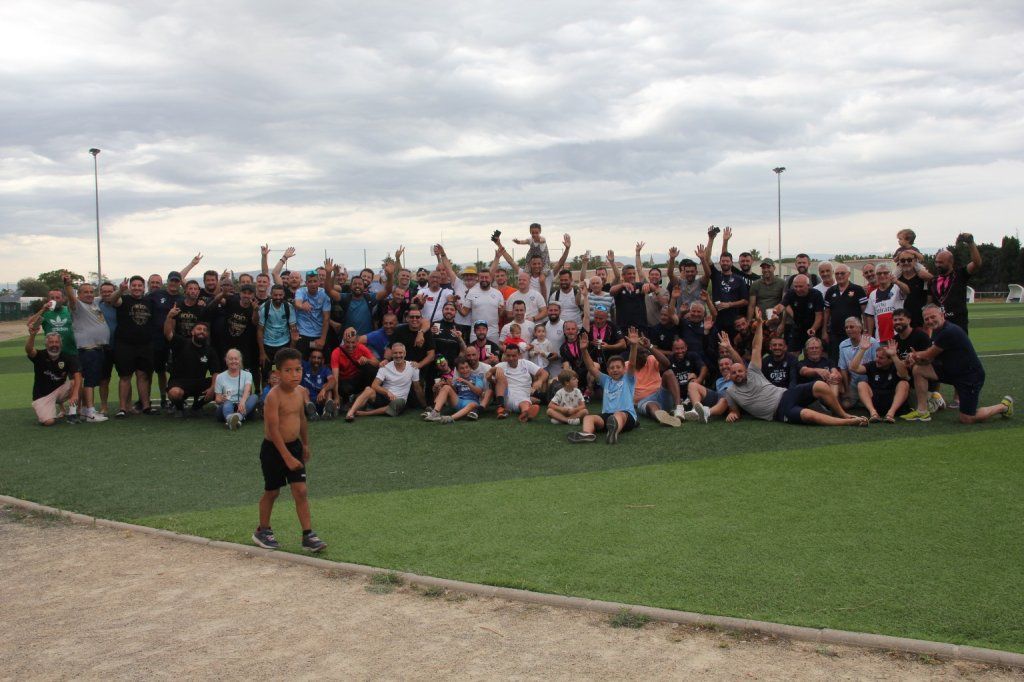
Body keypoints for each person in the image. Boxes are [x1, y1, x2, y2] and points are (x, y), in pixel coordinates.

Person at [716, 310, 866, 426]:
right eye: (734, 373)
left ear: (745, 370)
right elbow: (734, 410)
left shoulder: (753, 372)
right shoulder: (731, 392)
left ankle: (843, 414)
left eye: (740, 371)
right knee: (808, 415)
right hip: (779, 412)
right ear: (729, 375)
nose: (738, 374)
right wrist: (732, 414)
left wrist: (760, 325)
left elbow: (756, 347)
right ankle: (846, 422)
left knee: (820, 385)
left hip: (786, 394)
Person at [252, 347, 327, 553]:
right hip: (274, 450)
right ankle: (262, 530)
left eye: (298, 370)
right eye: (288, 370)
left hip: (294, 447)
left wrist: (305, 444)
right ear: (277, 373)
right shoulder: (273, 397)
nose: (294, 375)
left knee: (301, 491)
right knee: (272, 491)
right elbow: (272, 430)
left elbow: (301, 419)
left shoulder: (301, 392)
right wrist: (286, 457)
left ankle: (308, 535)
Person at [902, 305, 1013, 424]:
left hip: (969, 377)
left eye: (933, 317)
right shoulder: (936, 330)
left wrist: (914, 355)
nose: (930, 321)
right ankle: (922, 411)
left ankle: (1004, 406)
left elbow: (929, 354)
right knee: (919, 369)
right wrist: (917, 360)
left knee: (967, 418)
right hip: (951, 371)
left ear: (941, 315)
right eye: (926, 319)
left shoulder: (949, 331)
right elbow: (930, 358)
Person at [566, 327, 640, 444]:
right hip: (607, 417)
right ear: (608, 371)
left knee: (618, 415)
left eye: (618, 367)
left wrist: (634, 346)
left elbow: (632, 364)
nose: (615, 370)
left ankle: (614, 433)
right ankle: (587, 434)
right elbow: (591, 367)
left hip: (626, 416)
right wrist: (584, 350)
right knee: (589, 418)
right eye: (612, 368)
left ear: (624, 369)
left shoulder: (628, 379)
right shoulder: (606, 380)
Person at [63, 277, 110, 422]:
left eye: (91, 291)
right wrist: (68, 285)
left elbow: (109, 296)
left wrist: (120, 290)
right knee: (89, 381)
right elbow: (71, 298)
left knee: (91, 380)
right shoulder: (78, 305)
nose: (89, 294)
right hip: (88, 349)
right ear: (79, 294)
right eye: (85, 292)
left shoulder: (95, 302)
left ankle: (84, 409)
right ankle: (90, 412)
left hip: (97, 349)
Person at [110, 276, 156, 417]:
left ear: (144, 287)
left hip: (145, 345)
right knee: (125, 376)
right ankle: (123, 408)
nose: (137, 288)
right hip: (125, 345)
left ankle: (146, 406)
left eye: (139, 285)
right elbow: (112, 300)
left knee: (143, 375)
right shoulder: (123, 299)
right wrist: (120, 290)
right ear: (130, 287)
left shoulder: (149, 301)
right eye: (134, 285)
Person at [346, 342, 425, 420]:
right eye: (395, 353)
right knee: (368, 389)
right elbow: (374, 385)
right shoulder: (385, 367)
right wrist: (387, 392)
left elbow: (417, 388)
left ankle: (365, 413)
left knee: (399, 402)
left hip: (398, 401)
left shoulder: (413, 367)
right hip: (384, 397)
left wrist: (424, 405)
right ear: (392, 354)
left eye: (400, 353)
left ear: (405, 353)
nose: (398, 355)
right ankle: (350, 413)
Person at [164, 309, 220, 418]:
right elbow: (168, 334)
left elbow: (216, 372)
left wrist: (213, 387)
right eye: (199, 329)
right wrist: (169, 317)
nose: (202, 331)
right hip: (179, 382)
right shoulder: (181, 343)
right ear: (192, 332)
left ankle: (196, 407)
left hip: (199, 382)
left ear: (207, 334)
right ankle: (179, 408)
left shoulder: (210, 351)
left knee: (221, 386)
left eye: (204, 330)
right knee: (174, 393)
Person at [26, 327, 81, 426]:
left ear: (61, 344)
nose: (54, 345)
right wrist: (32, 335)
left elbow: (77, 375)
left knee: (75, 382)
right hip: (42, 396)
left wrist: (75, 394)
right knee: (49, 422)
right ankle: (49, 409)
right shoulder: (40, 355)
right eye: (51, 342)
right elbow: (29, 350)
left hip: (59, 391)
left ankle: (73, 414)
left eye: (57, 342)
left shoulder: (67, 357)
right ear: (46, 344)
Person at [698, 228, 749, 335]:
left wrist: (729, 304)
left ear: (731, 263)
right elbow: (707, 259)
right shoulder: (716, 275)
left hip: (734, 322)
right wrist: (711, 239)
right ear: (720, 262)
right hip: (717, 320)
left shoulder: (739, 279)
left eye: (727, 261)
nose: (725, 263)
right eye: (723, 261)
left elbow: (745, 301)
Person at [848, 337, 910, 422]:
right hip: (876, 403)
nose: (877, 359)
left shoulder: (896, 365)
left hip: (893, 402)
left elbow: (904, 374)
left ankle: (890, 414)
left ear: (890, 360)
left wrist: (894, 356)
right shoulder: (872, 365)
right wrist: (862, 350)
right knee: (861, 384)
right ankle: (873, 414)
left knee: (904, 383)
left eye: (881, 358)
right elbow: (853, 368)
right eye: (877, 356)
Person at [929, 233, 982, 333]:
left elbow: (977, 263)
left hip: (958, 324)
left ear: (950, 262)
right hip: (939, 325)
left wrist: (971, 243)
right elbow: (930, 304)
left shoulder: (960, 274)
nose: (937, 265)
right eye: (936, 262)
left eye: (941, 262)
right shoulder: (933, 281)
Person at [822, 264, 867, 363]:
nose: (839, 276)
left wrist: (865, 329)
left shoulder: (858, 290)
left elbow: (865, 312)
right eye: (837, 273)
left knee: (853, 359)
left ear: (848, 274)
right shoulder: (830, 291)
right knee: (835, 360)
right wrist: (824, 331)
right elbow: (827, 312)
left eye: (842, 273)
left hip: (853, 333)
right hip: (835, 333)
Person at [491, 344, 548, 422]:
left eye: (514, 356)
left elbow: (544, 373)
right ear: (505, 355)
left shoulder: (525, 363)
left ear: (519, 355)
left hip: (524, 393)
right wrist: (494, 370)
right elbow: (488, 375)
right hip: (508, 394)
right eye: (508, 355)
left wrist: (540, 381)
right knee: (501, 378)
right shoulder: (500, 366)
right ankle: (502, 407)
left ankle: (525, 414)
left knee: (525, 402)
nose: (511, 358)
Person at [423, 356, 485, 423]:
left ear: (470, 368)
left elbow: (479, 392)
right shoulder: (457, 380)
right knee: (446, 387)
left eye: (467, 367)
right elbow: (454, 392)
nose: (465, 370)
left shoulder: (477, 377)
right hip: (459, 401)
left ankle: (451, 418)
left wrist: (467, 382)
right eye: (462, 368)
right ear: (458, 370)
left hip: (472, 403)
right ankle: (435, 412)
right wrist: (441, 387)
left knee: (473, 404)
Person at [258, 284, 298, 384]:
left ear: (284, 295)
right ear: (271, 295)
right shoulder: (264, 307)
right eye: (275, 295)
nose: (278, 297)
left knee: (285, 373)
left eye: (280, 295)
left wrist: (291, 349)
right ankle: (265, 393)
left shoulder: (288, 307)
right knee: (266, 374)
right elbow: (260, 330)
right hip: (268, 345)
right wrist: (262, 352)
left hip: (284, 344)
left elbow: (293, 328)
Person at [838, 317, 878, 408]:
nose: (848, 329)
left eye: (851, 327)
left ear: (860, 328)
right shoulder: (843, 345)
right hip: (853, 382)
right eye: (846, 327)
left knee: (872, 405)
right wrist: (847, 389)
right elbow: (843, 368)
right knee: (845, 405)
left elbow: (877, 364)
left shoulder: (872, 342)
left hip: (869, 382)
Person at [330, 327, 377, 406]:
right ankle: (346, 400)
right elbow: (335, 377)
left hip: (357, 379)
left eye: (353, 342)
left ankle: (364, 395)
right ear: (344, 341)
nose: (350, 345)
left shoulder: (361, 347)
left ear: (357, 341)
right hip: (344, 381)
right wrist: (336, 396)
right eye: (348, 342)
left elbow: (377, 363)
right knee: (344, 388)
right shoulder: (336, 352)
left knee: (370, 368)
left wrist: (367, 360)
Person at [215, 348, 257, 430]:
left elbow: (247, 390)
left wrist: (242, 402)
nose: (233, 361)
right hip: (226, 406)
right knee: (228, 403)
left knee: (254, 397)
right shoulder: (220, 377)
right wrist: (221, 399)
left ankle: (237, 417)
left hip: (241, 406)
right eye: (231, 359)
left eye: (236, 359)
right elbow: (217, 399)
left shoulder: (247, 374)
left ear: (240, 360)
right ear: (226, 361)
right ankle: (231, 418)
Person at [781, 274, 824, 353]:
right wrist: (776, 311)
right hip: (797, 327)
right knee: (792, 353)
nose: (798, 289)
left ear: (808, 286)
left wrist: (813, 328)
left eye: (800, 286)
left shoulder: (816, 294)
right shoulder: (791, 293)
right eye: (795, 286)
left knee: (811, 353)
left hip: (812, 327)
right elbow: (783, 305)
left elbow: (819, 316)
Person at [293, 270, 331, 358]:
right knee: (301, 361)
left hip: (318, 335)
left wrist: (323, 339)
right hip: (303, 334)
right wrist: (302, 306)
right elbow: (297, 303)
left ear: (319, 282)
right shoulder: (301, 291)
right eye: (310, 281)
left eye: (315, 281)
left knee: (320, 360)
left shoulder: (324, 294)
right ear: (306, 283)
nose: (312, 284)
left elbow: (326, 318)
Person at [864, 263, 905, 341]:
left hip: (899, 336)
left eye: (885, 273)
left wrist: (897, 282)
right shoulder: (873, 294)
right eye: (879, 273)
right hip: (880, 338)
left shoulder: (897, 288)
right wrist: (869, 335)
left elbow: (907, 291)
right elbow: (870, 316)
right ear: (876, 275)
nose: (882, 275)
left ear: (890, 274)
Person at [301, 349, 337, 420]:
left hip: (320, 400)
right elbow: (293, 357)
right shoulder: (304, 366)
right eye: (314, 357)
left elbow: (333, 381)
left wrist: (324, 389)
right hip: (307, 401)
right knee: (303, 390)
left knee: (328, 388)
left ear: (322, 360)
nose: (316, 360)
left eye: (319, 358)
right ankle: (312, 413)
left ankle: (327, 412)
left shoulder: (325, 370)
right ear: (309, 359)